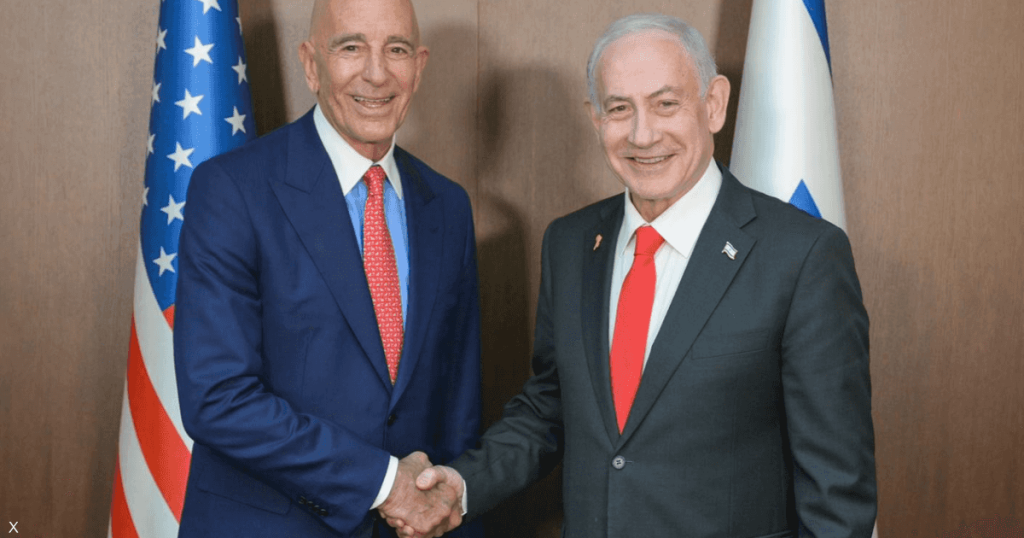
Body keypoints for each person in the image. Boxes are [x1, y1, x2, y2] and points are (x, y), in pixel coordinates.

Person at [405, 13, 877, 538]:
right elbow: (550, 407)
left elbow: (837, 493)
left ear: (714, 104)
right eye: (619, 108)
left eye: (665, 104)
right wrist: (461, 487)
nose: (642, 134)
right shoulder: (570, 244)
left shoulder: (803, 256)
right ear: (595, 119)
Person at [173, 0, 480, 536]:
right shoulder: (231, 189)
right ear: (311, 64)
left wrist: (442, 508)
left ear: (419, 67)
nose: (376, 73)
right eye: (351, 47)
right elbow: (218, 398)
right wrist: (386, 483)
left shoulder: (448, 206)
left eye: (396, 50)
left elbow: (458, 408)